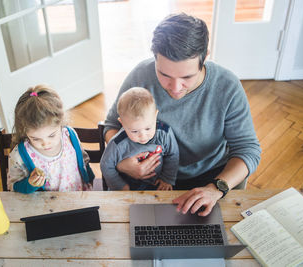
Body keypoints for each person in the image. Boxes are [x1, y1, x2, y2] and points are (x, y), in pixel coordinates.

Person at [103, 13, 261, 216]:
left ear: (205, 57)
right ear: (155, 59)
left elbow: (247, 150)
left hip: (209, 179)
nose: (175, 88)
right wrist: (124, 164)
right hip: (149, 180)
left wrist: (216, 188)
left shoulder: (227, 86)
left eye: (187, 76)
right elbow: (111, 126)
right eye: (164, 74)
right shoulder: (140, 76)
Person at [7, 85, 94, 193]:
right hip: (48, 207)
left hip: (79, 196)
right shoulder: (20, 155)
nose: (45, 143)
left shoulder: (70, 136)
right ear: (25, 132)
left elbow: (83, 159)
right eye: (35, 139)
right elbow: (13, 186)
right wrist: (30, 184)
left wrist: (90, 178)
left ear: (61, 122)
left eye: (52, 135)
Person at [100, 87, 179, 191]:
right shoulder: (118, 143)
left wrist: (167, 179)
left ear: (155, 116)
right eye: (134, 131)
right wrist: (120, 186)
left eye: (148, 128)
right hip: (128, 184)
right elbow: (105, 165)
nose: (143, 136)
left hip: (157, 183)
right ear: (122, 123)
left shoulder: (164, 133)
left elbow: (173, 155)